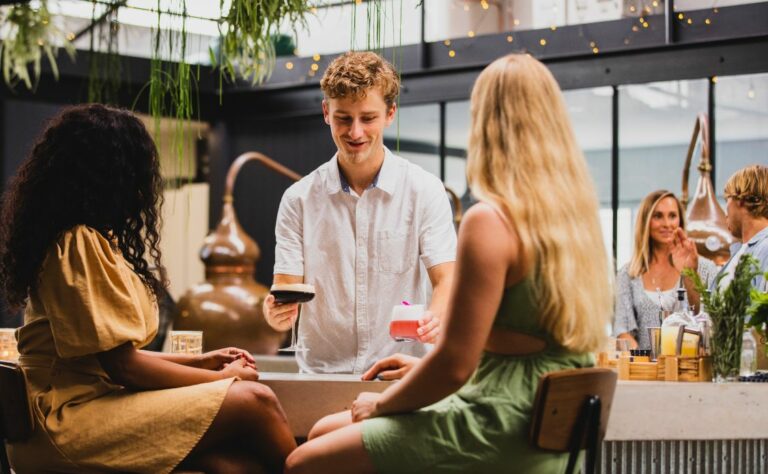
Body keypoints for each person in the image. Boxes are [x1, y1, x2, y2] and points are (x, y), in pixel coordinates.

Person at [283, 53, 614, 473]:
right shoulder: (577, 222)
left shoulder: (490, 221)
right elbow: (517, 346)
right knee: (324, 431)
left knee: (303, 461)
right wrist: (423, 367)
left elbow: (455, 363)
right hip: (549, 425)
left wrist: (382, 402)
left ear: (486, 124)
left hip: (497, 422)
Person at [0, 104, 295, 473]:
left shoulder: (85, 240)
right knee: (255, 400)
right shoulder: (77, 242)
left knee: (232, 464)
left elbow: (112, 356)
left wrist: (201, 360)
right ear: (110, 175)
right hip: (65, 422)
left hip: (83, 407)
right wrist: (222, 378)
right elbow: (123, 367)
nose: (142, 187)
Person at [263, 51, 457, 375]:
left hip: (399, 375)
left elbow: (448, 279)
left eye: (368, 118)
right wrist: (274, 313)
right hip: (320, 378)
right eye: (343, 118)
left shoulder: (424, 191)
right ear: (326, 112)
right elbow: (284, 290)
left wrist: (435, 318)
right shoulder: (298, 200)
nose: (355, 133)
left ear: (390, 113)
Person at [613, 190, 718, 350]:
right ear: (645, 221)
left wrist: (690, 274)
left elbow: (705, 319)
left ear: (680, 221)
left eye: (672, 216)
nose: (667, 224)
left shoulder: (705, 268)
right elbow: (622, 330)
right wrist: (645, 363)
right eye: (658, 216)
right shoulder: (628, 274)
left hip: (692, 369)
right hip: (645, 371)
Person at [715, 165, 768, 292]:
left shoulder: (765, 248)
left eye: (727, 199)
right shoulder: (742, 251)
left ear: (741, 199)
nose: (725, 212)